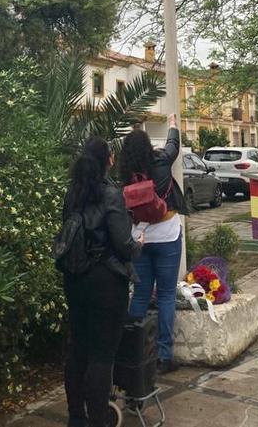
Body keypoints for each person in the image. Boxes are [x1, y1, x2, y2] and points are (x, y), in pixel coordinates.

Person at [61, 136, 144, 427]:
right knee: (102, 355)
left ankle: (76, 417)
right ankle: (99, 420)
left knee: (78, 349)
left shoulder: (73, 192)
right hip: (106, 283)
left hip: (75, 279)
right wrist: (139, 243)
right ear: (107, 160)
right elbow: (123, 244)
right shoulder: (110, 195)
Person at [119, 113, 188, 374]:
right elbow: (173, 146)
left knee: (140, 294)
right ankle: (164, 356)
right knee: (167, 295)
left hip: (140, 239)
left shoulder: (126, 174)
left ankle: (136, 352)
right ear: (148, 147)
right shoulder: (160, 162)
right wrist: (172, 125)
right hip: (168, 234)